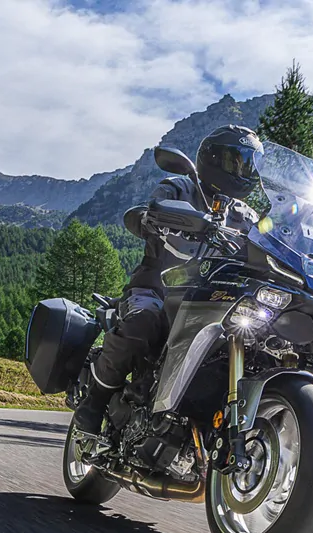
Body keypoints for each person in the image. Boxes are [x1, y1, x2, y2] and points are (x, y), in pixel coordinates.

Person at [74, 125, 263, 436]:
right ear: (213, 159)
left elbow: (271, 245)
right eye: (237, 161)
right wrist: (156, 218)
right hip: (157, 288)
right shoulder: (179, 188)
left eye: (250, 164)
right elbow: (147, 212)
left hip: (213, 299)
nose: (244, 170)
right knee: (144, 320)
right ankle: (94, 402)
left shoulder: (247, 216)